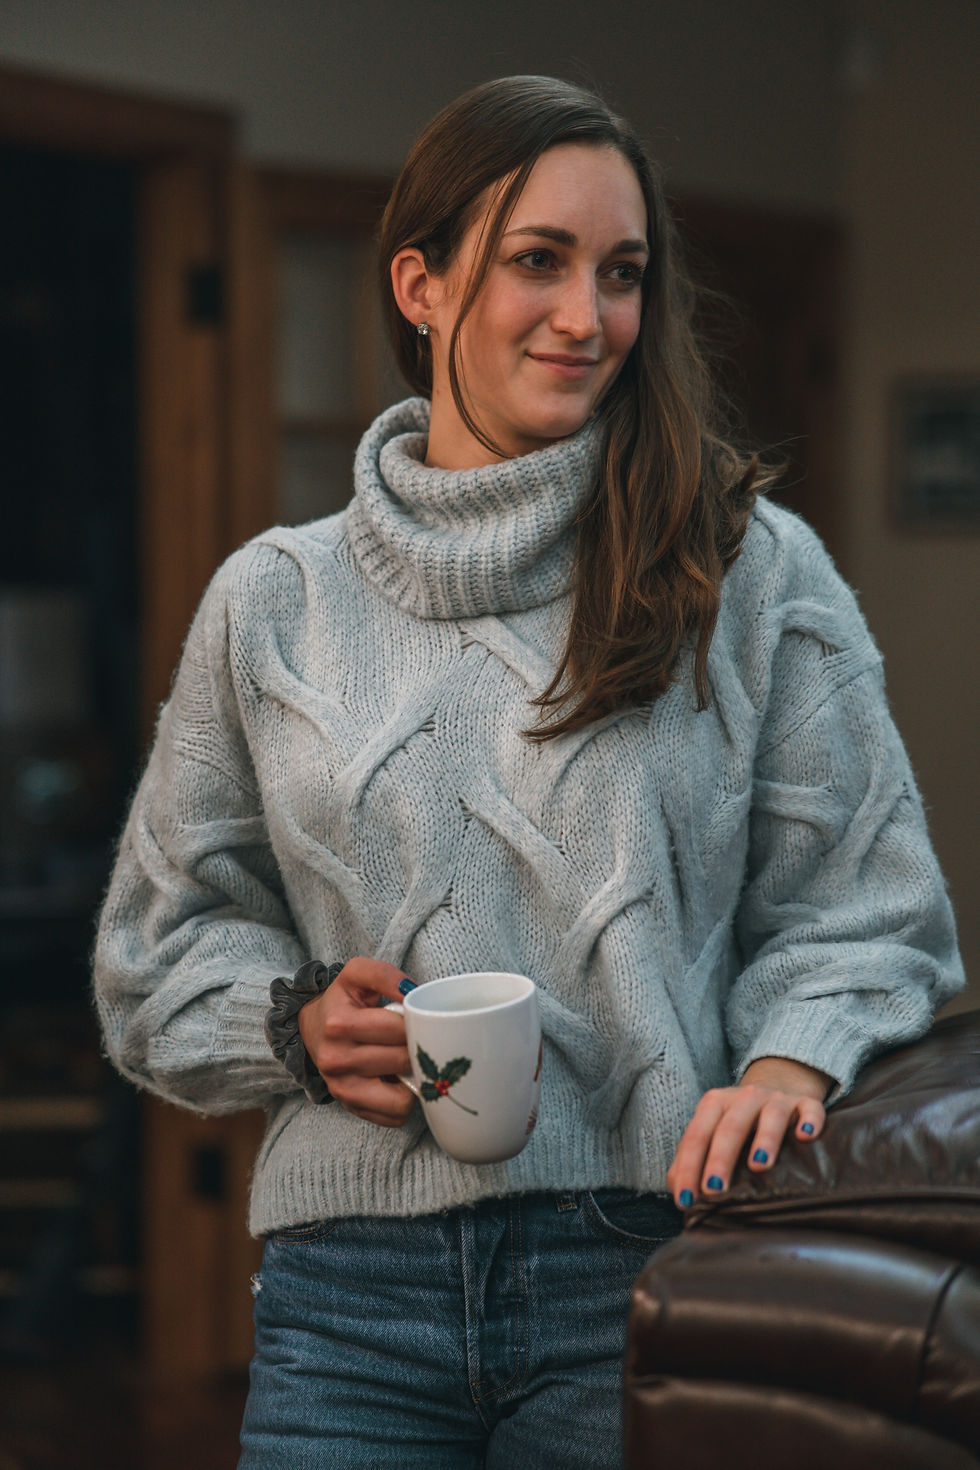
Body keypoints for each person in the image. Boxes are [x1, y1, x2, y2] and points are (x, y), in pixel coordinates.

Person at [93, 75, 963, 1469]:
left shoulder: (748, 569)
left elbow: (870, 905)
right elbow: (156, 954)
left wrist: (791, 1059)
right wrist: (296, 1025)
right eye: (537, 261)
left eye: (622, 274)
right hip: (345, 1292)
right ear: (422, 285)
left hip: (644, 1267)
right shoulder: (272, 604)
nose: (587, 315)